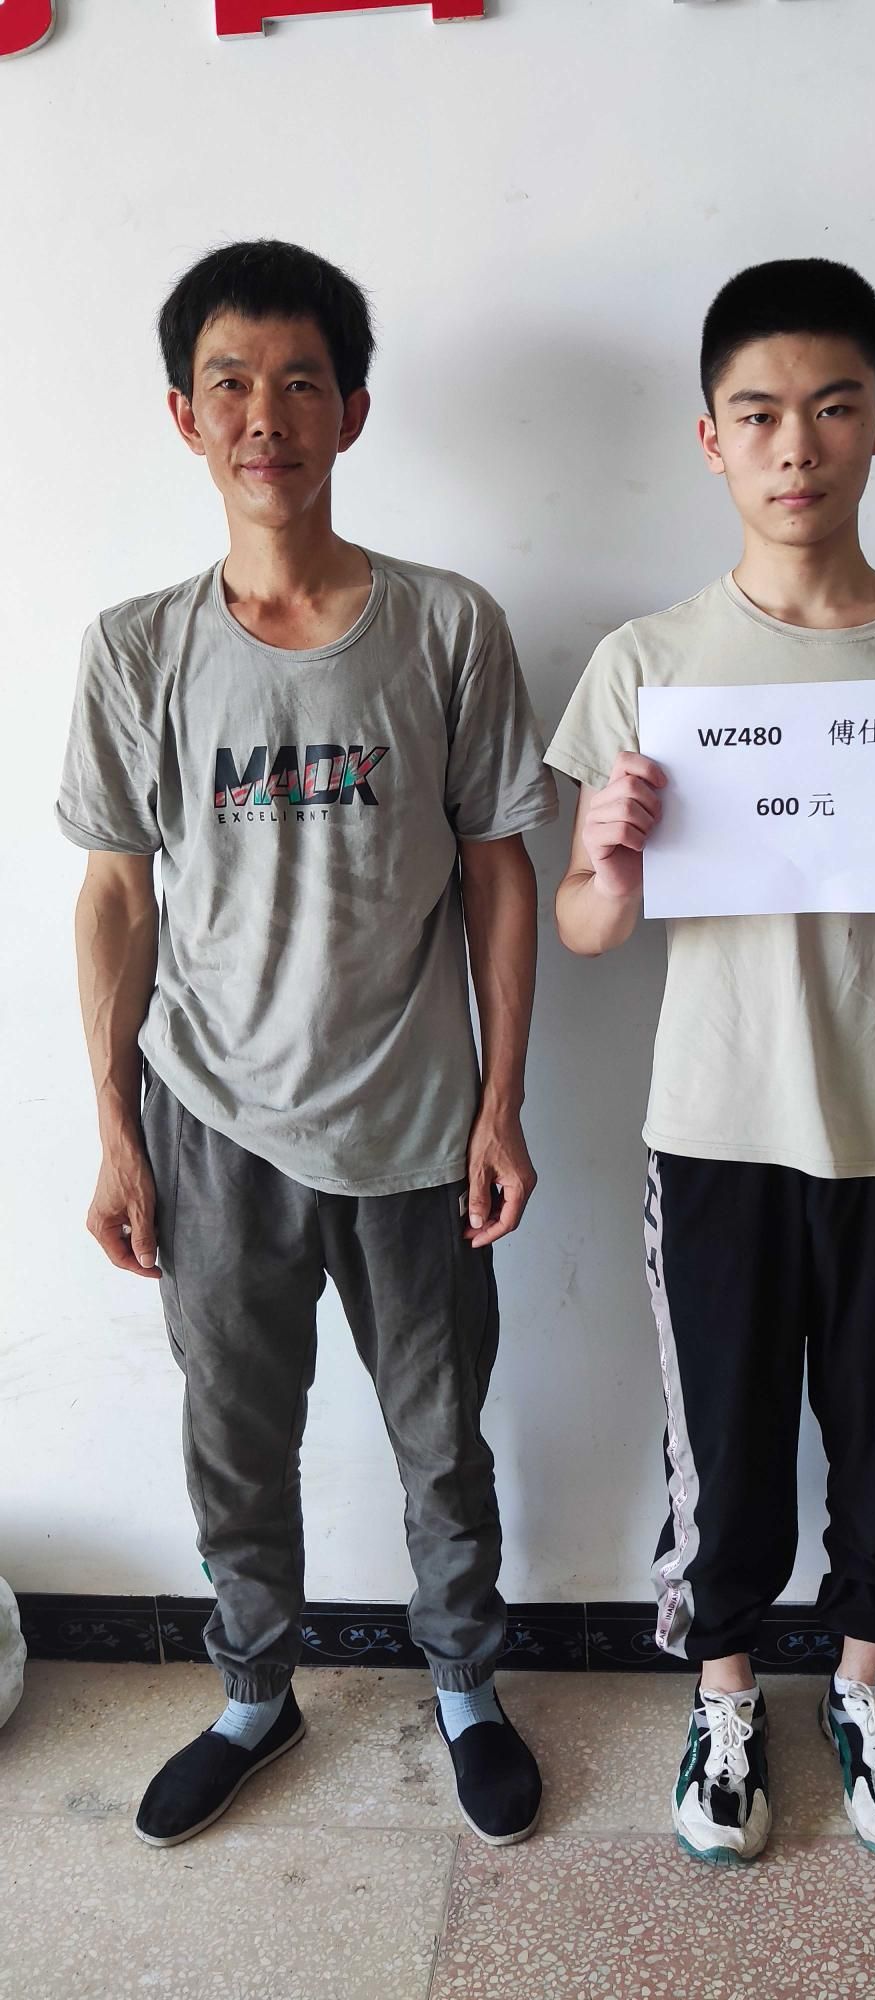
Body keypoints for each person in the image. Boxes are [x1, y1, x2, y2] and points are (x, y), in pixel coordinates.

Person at [546, 259, 875, 1865]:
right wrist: (609, 862)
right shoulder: (649, 660)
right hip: (714, 1125)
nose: (795, 445)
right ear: (709, 437)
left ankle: (860, 1686)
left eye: (831, 407)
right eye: (758, 413)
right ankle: (721, 1704)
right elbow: (581, 925)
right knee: (722, 1454)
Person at [56, 239, 557, 1849]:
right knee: (232, 1441)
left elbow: (497, 869)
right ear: (183, 415)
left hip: (414, 1125)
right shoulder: (137, 647)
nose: (263, 414)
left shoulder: (446, 625)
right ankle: (252, 1693)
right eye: (229, 383)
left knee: (441, 1444)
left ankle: (464, 1685)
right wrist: (117, 1130)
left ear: (351, 409)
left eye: (298, 381)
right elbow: (116, 896)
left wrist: (502, 1100)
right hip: (209, 1121)